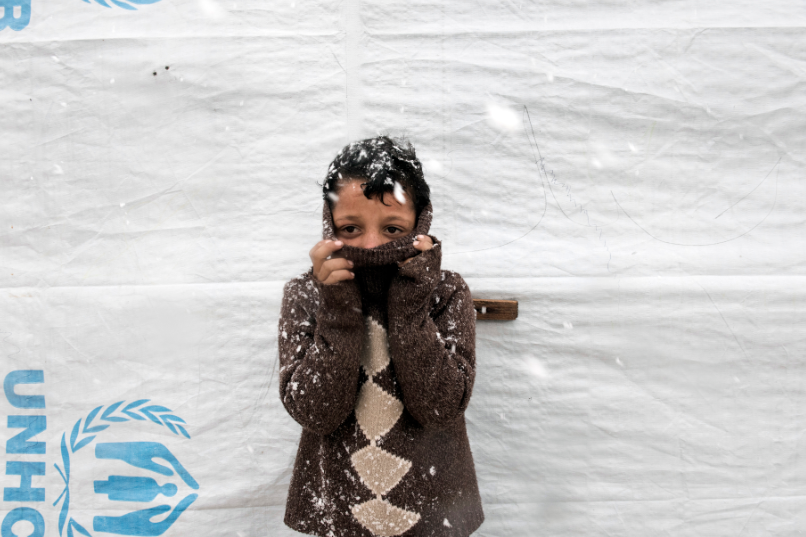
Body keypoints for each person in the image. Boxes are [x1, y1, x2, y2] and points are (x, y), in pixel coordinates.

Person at [278, 135, 484, 537]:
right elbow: (316, 413)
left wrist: (410, 307)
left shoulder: (446, 293)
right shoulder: (307, 294)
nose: (371, 245)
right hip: (337, 512)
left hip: (434, 509)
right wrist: (338, 311)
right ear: (329, 225)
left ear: (421, 223)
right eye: (350, 228)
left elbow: (441, 408)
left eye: (392, 228)